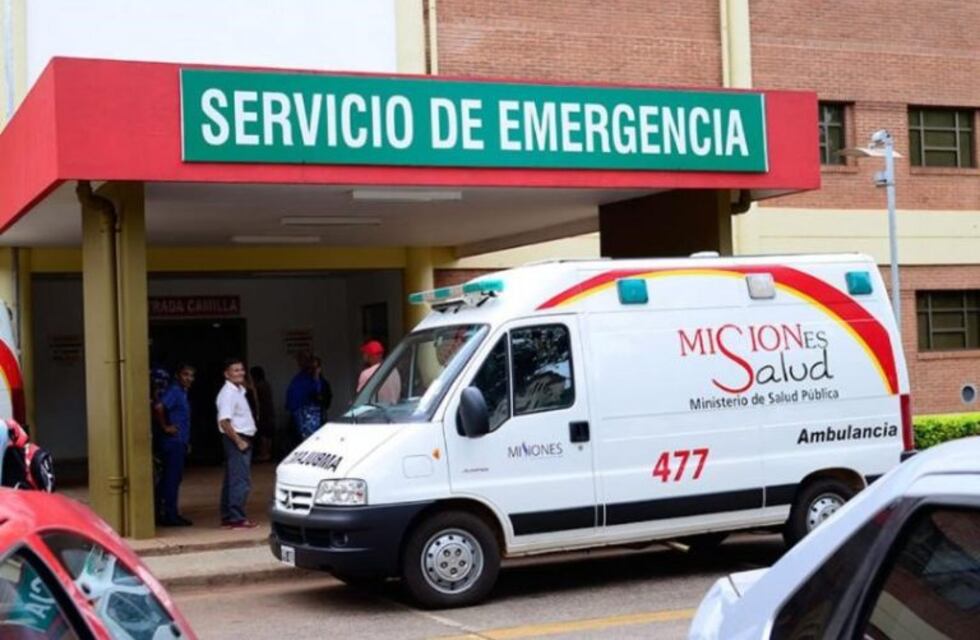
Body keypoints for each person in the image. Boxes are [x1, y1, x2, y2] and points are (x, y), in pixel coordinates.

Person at [216, 357, 258, 529]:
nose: (240, 373)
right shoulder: (228, 394)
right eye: (235, 370)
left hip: (241, 437)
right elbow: (224, 421)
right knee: (240, 480)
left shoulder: (239, 391)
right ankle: (237, 517)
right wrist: (239, 441)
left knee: (232, 478)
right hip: (237, 438)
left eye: (241, 369)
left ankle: (228, 515)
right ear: (227, 374)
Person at [153, 364, 195, 527]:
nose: (189, 378)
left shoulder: (183, 393)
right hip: (173, 442)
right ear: (178, 375)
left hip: (180, 441)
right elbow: (158, 407)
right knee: (171, 479)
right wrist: (165, 426)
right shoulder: (175, 392)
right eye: (185, 375)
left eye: (191, 376)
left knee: (174, 479)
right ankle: (169, 514)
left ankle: (167, 511)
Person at [285, 354, 332, 440]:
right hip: (306, 416)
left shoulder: (304, 380)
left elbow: (325, 399)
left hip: (310, 416)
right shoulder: (305, 380)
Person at [250, 366, 275, 462]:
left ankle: (264, 454)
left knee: (264, 434)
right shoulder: (266, 384)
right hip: (269, 413)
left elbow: (256, 401)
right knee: (268, 434)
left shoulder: (258, 386)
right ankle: (267, 454)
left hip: (263, 413)